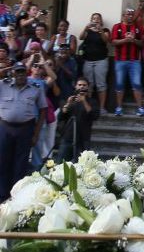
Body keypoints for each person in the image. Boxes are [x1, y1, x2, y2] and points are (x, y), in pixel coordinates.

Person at [0, 63, 46, 201]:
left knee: (20, 164)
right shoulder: (3, 85)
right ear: (13, 73)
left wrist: (36, 134)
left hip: (25, 129)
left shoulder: (35, 88)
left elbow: (43, 109)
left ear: (27, 73)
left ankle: (16, 196)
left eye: (22, 72)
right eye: (17, 72)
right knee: (2, 162)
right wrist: (7, 69)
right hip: (5, 127)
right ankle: (2, 195)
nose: (20, 75)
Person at [55, 77, 99, 162]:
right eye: (79, 85)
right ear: (75, 86)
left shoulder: (92, 102)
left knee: (81, 166)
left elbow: (94, 116)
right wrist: (68, 104)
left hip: (83, 138)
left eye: (84, 85)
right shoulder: (70, 100)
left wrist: (84, 101)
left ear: (88, 87)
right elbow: (61, 117)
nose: (81, 87)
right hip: (68, 137)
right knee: (60, 163)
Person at [111, 9, 144, 117]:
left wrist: (134, 40)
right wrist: (125, 40)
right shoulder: (117, 27)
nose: (130, 16)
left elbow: (142, 44)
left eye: (132, 14)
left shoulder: (138, 27)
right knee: (120, 83)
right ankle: (119, 107)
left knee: (137, 83)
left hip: (134, 61)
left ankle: (140, 108)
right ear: (123, 16)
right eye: (128, 14)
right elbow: (113, 42)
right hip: (120, 61)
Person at [78, 13, 110, 111]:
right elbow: (80, 37)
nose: (96, 20)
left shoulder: (105, 31)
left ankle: (101, 108)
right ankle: (88, 106)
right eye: (94, 18)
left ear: (101, 21)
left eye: (98, 18)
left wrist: (100, 30)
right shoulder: (88, 31)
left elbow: (106, 40)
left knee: (101, 84)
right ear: (91, 20)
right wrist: (86, 28)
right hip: (88, 60)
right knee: (89, 85)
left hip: (101, 60)